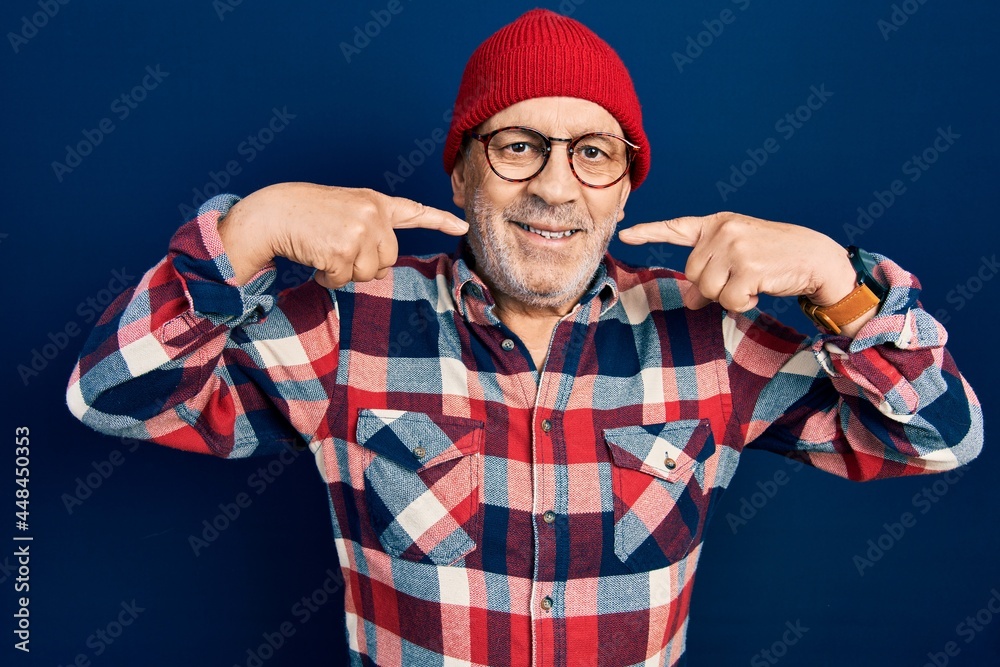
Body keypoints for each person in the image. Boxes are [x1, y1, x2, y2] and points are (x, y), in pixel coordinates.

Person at [66, 9, 982, 667]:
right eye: (517, 147)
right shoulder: (350, 325)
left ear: (626, 186)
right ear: (463, 175)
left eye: (593, 152)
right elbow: (110, 395)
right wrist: (246, 236)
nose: (556, 186)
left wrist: (840, 284)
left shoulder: (711, 339)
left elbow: (940, 440)